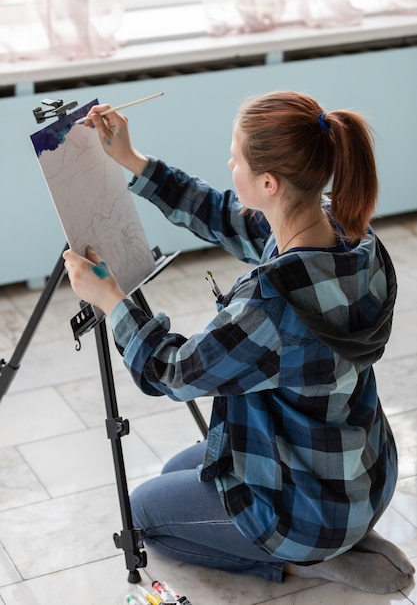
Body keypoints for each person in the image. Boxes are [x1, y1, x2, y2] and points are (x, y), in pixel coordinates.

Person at [63, 91, 415, 594]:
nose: (229, 163)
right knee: (176, 471)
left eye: (236, 157)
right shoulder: (350, 235)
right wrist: (133, 162)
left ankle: (310, 561)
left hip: (310, 511)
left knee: (144, 510)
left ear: (268, 183)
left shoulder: (271, 303)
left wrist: (112, 300)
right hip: (365, 472)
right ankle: (347, 534)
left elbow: (172, 371)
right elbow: (226, 215)